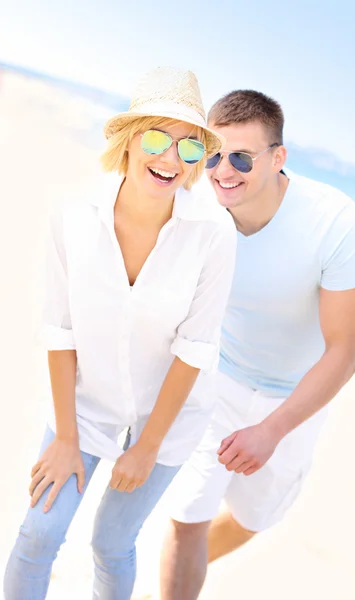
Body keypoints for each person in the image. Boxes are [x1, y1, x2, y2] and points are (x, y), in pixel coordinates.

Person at [3, 66, 237, 600]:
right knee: (39, 533)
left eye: (190, 148)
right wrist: (65, 437)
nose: (171, 159)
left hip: (171, 418)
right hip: (84, 405)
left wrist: (148, 446)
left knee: (111, 544)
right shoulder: (73, 217)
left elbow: (195, 347)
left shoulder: (214, 235)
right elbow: (60, 331)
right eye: (157, 138)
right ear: (130, 142)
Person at [159, 89, 355, 600]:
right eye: (213, 155)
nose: (223, 170)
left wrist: (272, 429)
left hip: (294, 399)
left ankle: (183, 573)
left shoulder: (333, 221)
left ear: (278, 158)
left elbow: (345, 352)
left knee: (254, 519)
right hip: (219, 377)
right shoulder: (198, 211)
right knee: (187, 516)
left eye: (241, 157)